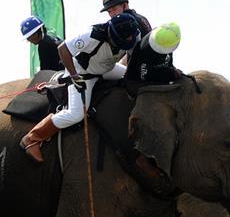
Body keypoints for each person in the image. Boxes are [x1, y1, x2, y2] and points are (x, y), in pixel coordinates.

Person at [19, 12, 141, 162]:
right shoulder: (90, 35)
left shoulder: (134, 34)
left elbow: (133, 57)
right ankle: (32, 138)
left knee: (136, 81)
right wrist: (74, 76)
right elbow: (63, 49)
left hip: (107, 68)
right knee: (76, 114)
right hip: (85, 74)